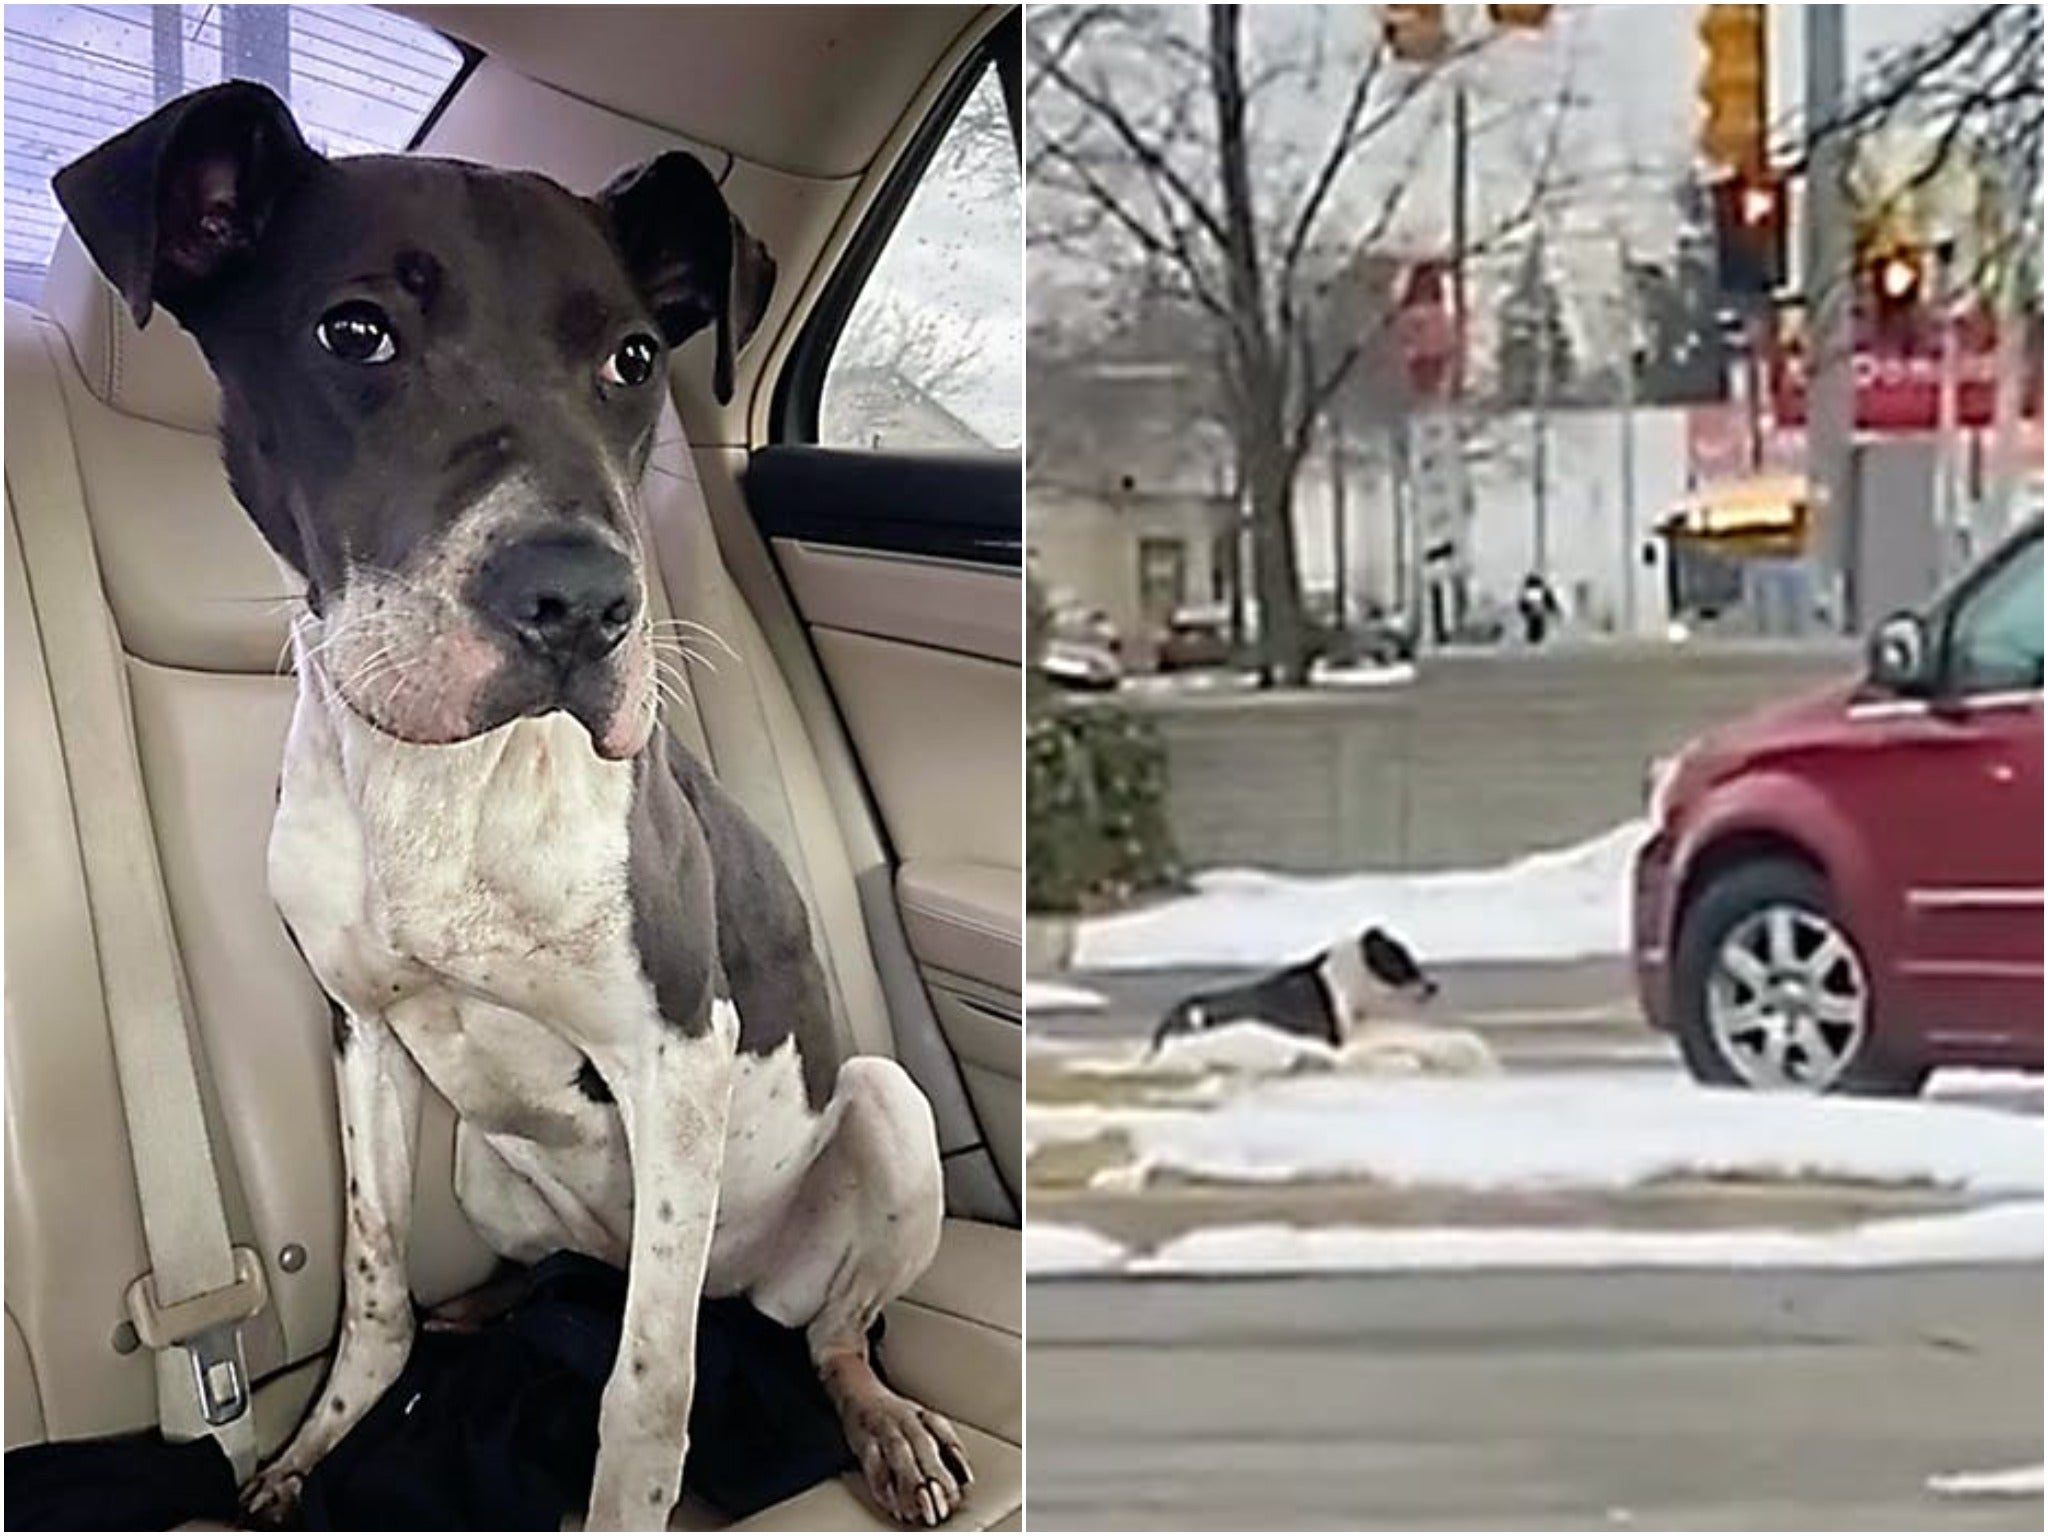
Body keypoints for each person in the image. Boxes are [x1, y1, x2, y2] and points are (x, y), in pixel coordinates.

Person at [1517, 570, 1560, 646]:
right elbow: (1549, 603)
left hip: (1534, 603)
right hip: (1535, 601)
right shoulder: (1537, 595)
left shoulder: (1534, 595)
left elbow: (1523, 605)